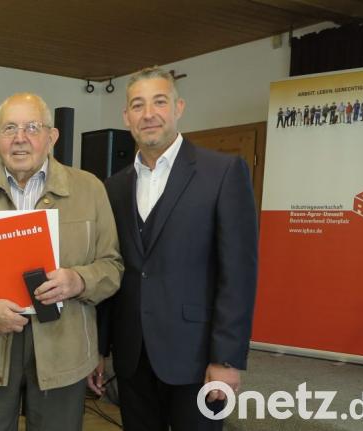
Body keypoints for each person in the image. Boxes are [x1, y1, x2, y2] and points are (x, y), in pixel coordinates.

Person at [0, 92, 123, 431]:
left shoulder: (90, 189)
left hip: (63, 350)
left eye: (32, 127)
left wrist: (78, 280)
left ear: (52, 136)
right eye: (10, 128)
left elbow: (112, 265)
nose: (20, 138)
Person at [92, 67, 258, 431]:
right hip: (132, 356)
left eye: (159, 102)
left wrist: (227, 359)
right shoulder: (113, 187)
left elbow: (238, 275)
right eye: (138, 105)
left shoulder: (223, 172)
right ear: (126, 116)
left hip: (196, 357)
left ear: (178, 108)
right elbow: (110, 268)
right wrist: (100, 349)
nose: (148, 114)